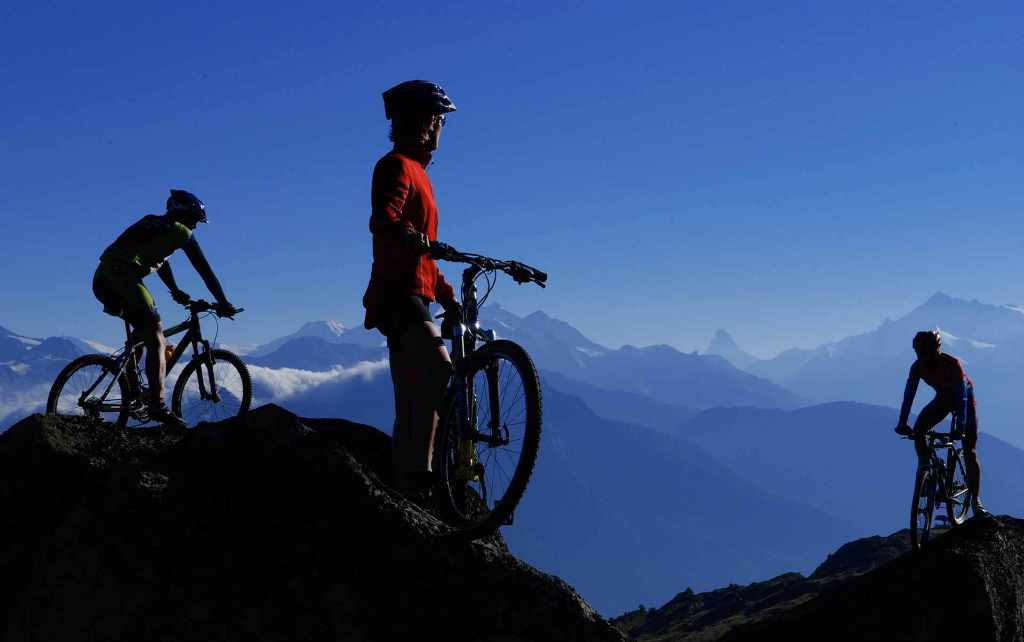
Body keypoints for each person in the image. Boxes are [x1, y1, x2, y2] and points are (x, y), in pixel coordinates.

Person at [361, 80, 462, 498]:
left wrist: (447, 296)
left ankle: (412, 481)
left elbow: (426, 255)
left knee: (411, 393)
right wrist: (407, 233)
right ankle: (423, 474)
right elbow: (383, 219)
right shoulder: (396, 166)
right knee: (439, 370)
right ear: (423, 122)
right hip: (398, 292)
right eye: (439, 119)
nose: (441, 128)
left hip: (415, 292)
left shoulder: (420, 173)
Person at [92, 189, 238, 427]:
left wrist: (175, 290)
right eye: (194, 220)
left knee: (141, 335)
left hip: (102, 280)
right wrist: (223, 302)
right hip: (123, 278)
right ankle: (157, 406)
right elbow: (204, 270)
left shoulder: (154, 224)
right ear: (184, 215)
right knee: (157, 336)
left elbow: (159, 262)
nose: (195, 226)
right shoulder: (181, 232)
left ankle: (133, 393)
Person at [895, 330, 991, 519]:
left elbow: (962, 398)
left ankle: (976, 501)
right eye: (920, 353)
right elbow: (909, 395)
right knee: (919, 430)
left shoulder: (952, 365)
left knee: (969, 450)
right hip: (944, 398)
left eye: (928, 353)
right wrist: (902, 422)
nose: (924, 358)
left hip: (964, 399)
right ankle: (926, 469)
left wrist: (960, 426)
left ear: (937, 349)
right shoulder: (917, 367)